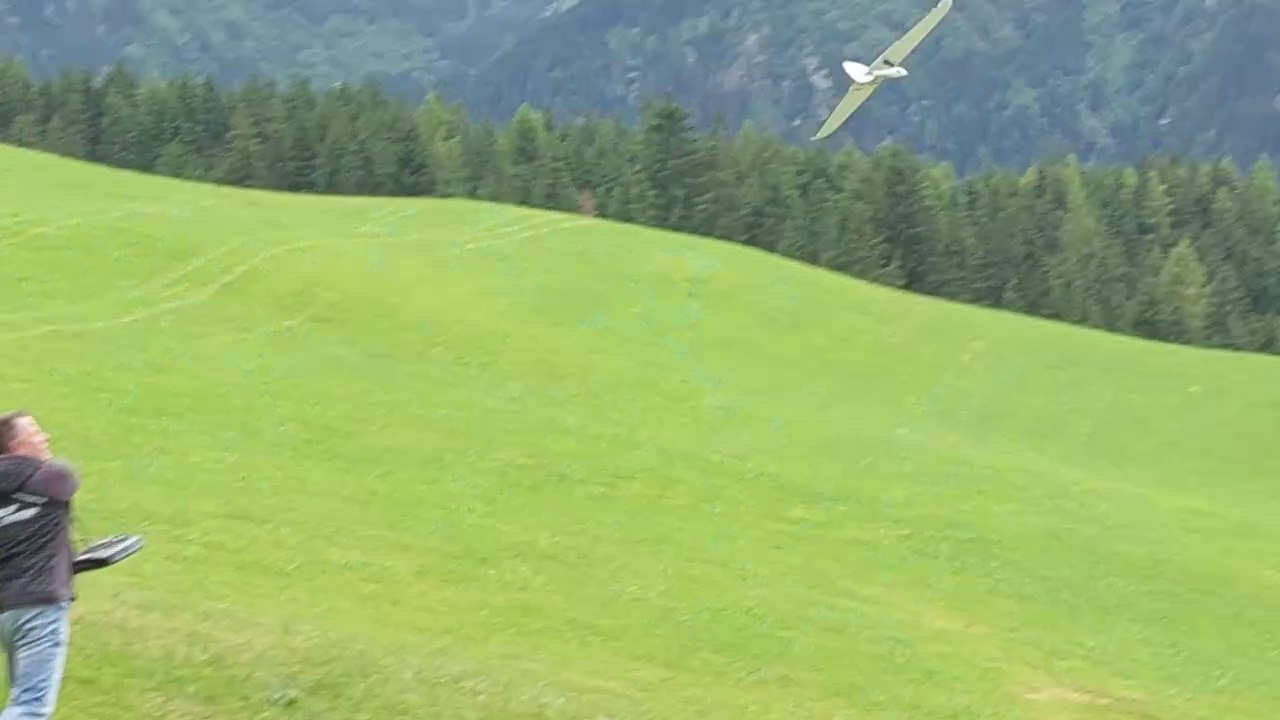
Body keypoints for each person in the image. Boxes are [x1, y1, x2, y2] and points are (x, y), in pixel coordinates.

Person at [0, 411, 79, 719]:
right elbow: (67, 478)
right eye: (35, 433)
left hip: (6, 608)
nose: (44, 438)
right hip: (39, 606)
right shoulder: (51, 478)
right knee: (29, 707)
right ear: (17, 445)